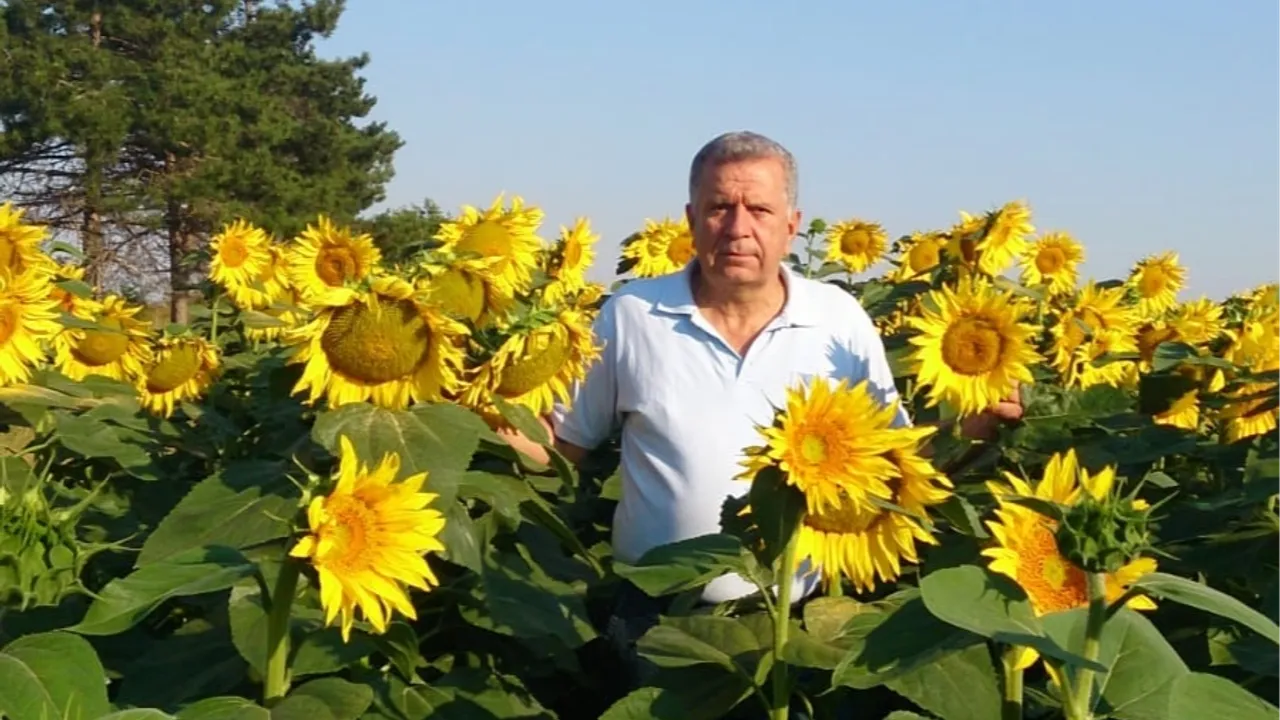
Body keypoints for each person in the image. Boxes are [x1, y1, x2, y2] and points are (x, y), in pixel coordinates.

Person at [496, 130, 1022, 691]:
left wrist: (971, 429)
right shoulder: (633, 315)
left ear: (791, 225)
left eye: (760, 209)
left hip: (798, 619)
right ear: (692, 219)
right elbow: (563, 444)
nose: (738, 227)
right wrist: (480, 417)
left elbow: (895, 462)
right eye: (719, 207)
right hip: (660, 619)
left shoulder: (838, 320)